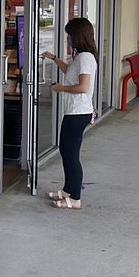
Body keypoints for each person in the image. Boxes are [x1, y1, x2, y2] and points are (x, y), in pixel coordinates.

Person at [42, 17, 97, 210]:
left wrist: (60, 88)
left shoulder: (84, 58)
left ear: (77, 37)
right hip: (76, 111)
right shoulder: (81, 57)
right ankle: (67, 190)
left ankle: (75, 198)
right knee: (66, 151)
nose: (68, 40)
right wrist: (54, 58)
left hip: (77, 113)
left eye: (69, 36)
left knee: (71, 154)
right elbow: (70, 72)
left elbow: (82, 87)